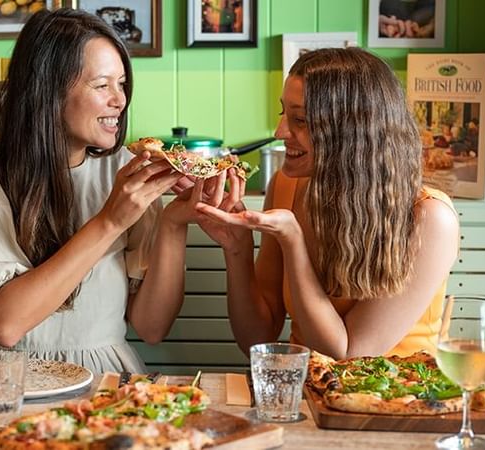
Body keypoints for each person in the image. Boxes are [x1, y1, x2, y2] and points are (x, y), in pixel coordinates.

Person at [0, 8, 202, 373]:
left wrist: (174, 222)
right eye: (102, 84)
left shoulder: (126, 170)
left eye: (122, 84)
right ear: (48, 89)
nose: (120, 100)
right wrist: (109, 221)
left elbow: (153, 327)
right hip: (5, 381)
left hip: (106, 383)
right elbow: (5, 324)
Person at [194, 48, 460, 360]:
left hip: (397, 399)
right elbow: (256, 336)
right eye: (284, 114)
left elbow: (349, 355)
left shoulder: (429, 218)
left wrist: (292, 240)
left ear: (352, 131)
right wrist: (237, 248)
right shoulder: (285, 186)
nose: (281, 132)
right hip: (305, 392)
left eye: (301, 120)